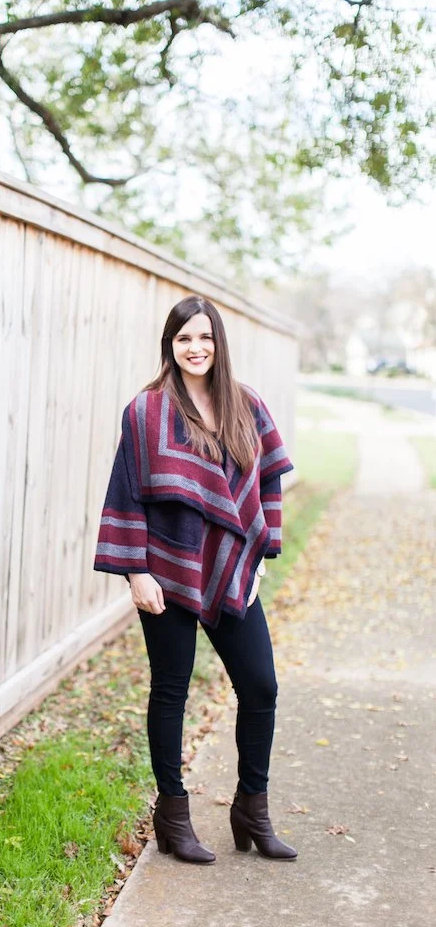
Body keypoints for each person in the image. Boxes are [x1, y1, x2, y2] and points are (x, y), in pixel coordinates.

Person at [93, 295, 297, 864]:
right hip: (165, 571)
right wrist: (136, 572)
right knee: (171, 689)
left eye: (205, 337)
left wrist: (258, 558)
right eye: (184, 338)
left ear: (218, 343)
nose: (196, 347)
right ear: (171, 345)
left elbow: (269, 482)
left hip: (232, 570)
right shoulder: (147, 411)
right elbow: (126, 493)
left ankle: (252, 809)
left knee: (261, 686)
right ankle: (173, 815)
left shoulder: (247, 406)